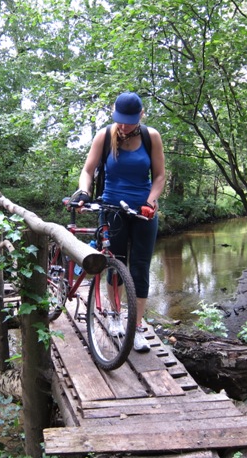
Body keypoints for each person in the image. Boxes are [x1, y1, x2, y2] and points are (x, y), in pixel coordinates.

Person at [73, 92, 165, 352]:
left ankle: (136, 328)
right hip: (112, 207)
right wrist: (83, 191)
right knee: (115, 263)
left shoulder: (151, 137)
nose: (124, 126)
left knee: (140, 267)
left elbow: (159, 176)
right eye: (120, 120)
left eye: (130, 121)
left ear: (141, 116)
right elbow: (88, 170)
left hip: (143, 211)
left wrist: (151, 200)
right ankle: (114, 315)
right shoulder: (104, 136)